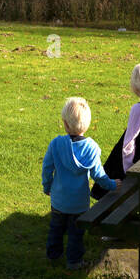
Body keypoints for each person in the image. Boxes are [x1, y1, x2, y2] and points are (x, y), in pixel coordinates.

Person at [42, 97, 118, 269]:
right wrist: (112, 185)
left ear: (65, 124)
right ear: (87, 125)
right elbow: (99, 175)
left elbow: (47, 168)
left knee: (56, 228)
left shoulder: (56, 144)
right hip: (79, 203)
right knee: (76, 234)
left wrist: (47, 187)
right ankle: (74, 262)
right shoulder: (91, 148)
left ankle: (53, 256)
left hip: (59, 200)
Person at [91, 62, 140, 199]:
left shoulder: (139, 109)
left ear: (134, 87)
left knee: (111, 191)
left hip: (133, 162)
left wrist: (128, 171)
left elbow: (128, 144)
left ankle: (110, 213)